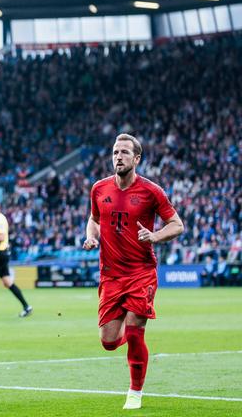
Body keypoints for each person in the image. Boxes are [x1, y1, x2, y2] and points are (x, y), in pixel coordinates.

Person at [83, 134, 184, 410]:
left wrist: (155, 236)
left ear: (136, 159)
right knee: (108, 341)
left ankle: (135, 393)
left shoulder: (152, 191)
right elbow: (93, 219)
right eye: (115, 152)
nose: (118, 157)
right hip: (110, 275)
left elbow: (177, 225)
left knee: (136, 330)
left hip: (141, 272)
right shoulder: (99, 189)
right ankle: (128, 333)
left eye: (125, 152)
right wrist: (91, 237)